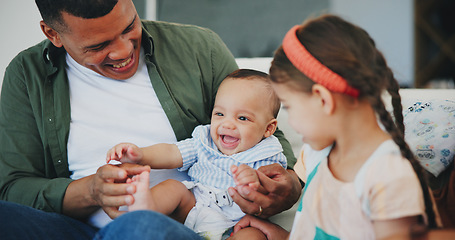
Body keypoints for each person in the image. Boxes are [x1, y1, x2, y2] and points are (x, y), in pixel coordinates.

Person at [0, 0, 301, 239]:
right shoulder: (28, 75)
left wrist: (283, 187)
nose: (123, 51)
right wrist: (90, 191)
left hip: (181, 224)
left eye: (129, 26)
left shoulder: (200, 49)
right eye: (97, 46)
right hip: (72, 229)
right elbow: (12, 187)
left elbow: (272, 142)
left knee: (140, 228)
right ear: (53, 34)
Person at [230, 14, 437, 240]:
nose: (291, 122)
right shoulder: (317, 152)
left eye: (289, 107)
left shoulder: (388, 177)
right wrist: (282, 236)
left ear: (322, 100)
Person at [106, 69, 287, 239]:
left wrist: (255, 181)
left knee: (254, 236)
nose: (227, 124)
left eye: (242, 118)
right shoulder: (204, 140)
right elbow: (171, 153)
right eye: (220, 114)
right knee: (174, 187)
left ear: (268, 128)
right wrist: (140, 154)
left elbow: (273, 195)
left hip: (238, 223)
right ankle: (146, 210)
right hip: (195, 207)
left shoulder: (268, 154)